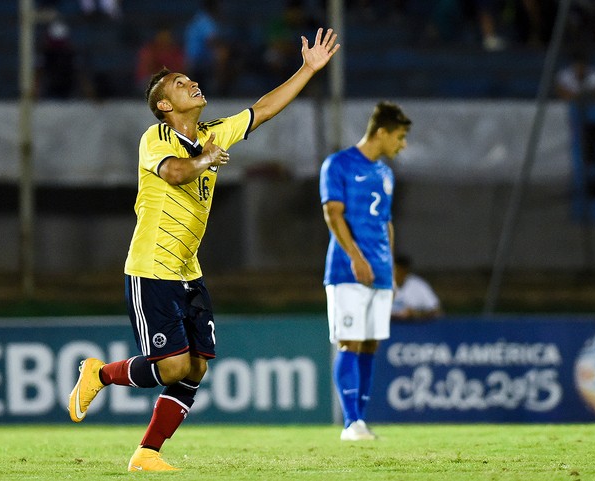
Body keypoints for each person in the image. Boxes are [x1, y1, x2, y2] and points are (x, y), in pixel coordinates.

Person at [68, 27, 340, 471]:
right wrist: (205, 161)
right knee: (173, 367)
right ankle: (98, 374)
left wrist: (307, 69)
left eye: (188, 79)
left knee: (196, 369)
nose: (190, 83)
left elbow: (263, 109)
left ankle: (146, 454)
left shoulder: (214, 132)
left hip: (187, 269)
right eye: (178, 84)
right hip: (152, 267)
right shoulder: (155, 138)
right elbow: (175, 173)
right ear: (164, 106)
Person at [320, 101, 411, 441]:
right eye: (400, 137)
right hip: (348, 270)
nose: (402, 145)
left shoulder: (385, 173)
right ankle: (350, 423)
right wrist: (356, 257)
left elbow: (386, 223)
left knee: (370, 344)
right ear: (382, 132)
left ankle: (360, 422)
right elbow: (333, 213)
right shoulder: (339, 164)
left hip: (380, 273)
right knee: (350, 341)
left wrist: (388, 269)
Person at [183, 0, 231, 96]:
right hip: (197, 61)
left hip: (199, 60)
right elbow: (212, 41)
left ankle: (217, 87)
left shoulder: (200, 17)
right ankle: (219, 90)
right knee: (223, 54)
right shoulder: (205, 20)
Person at [391, 254, 443, 320]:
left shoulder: (418, 285)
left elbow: (437, 311)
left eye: (397, 270)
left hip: (415, 327)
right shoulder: (385, 284)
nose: (394, 272)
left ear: (405, 270)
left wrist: (416, 313)